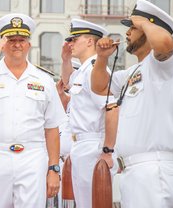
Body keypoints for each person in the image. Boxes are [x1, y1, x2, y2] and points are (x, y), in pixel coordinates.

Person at [0, 13, 67, 207]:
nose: (17, 44)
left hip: (32, 157)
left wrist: (54, 168)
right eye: (11, 40)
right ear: (2, 44)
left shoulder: (43, 80)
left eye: (22, 40)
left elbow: (52, 128)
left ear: (29, 44)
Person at [91, 0, 173, 208]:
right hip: (135, 171)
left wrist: (144, 22)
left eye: (132, 28)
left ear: (149, 28)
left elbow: (164, 44)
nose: (127, 33)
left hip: (154, 170)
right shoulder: (133, 72)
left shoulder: (163, 65)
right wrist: (101, 58)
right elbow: (99, 87)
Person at [61, 18, 118, 208]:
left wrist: (108, 150)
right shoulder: (83, 70)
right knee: (84, 202)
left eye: (74, 39)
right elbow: (67, 82)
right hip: (81, 146)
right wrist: (65, 60)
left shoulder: (96, 69)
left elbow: (111, 108)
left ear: (89, 41)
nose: (70, 44)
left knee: (94, 203)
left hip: (94, 145)